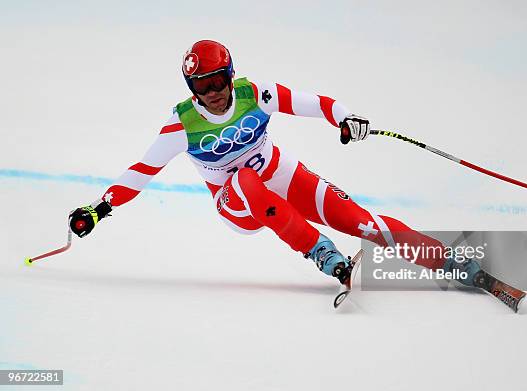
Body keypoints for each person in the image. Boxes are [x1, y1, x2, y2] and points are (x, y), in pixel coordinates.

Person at [68, 39, 482, 287]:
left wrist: (345, 119)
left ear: (230, 75)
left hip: (283, 177)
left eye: (217, 81)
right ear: (191, 88)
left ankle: (450, 262)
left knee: (362, 221)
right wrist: (98, 209)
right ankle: (322, 254)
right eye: (201, 86)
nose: (212, 93)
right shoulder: (182, 124)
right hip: (238, 203)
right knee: (247, 177)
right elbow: (142, 172)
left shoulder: (256, 93)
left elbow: (316, 103)